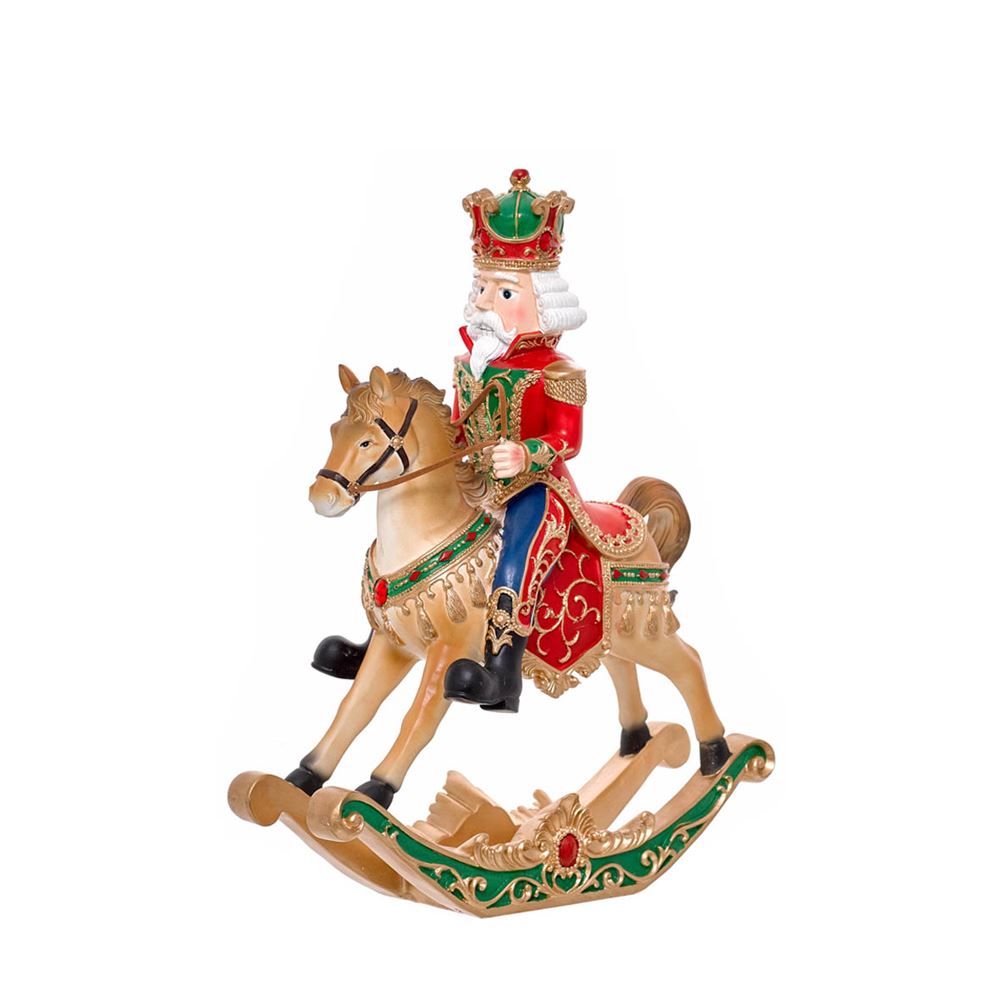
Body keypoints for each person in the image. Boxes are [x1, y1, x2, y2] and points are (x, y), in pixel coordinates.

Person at [443, 169, 589, 712]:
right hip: (473, 481)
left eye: (505, 292)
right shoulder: (470, 363)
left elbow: (568, 439)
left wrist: (526, 452)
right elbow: (458, 424)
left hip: (535, 486)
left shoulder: (558, 370)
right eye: (482, 287)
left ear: (543, 302)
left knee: (517, 555)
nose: (487, 303)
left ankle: (503, 673)